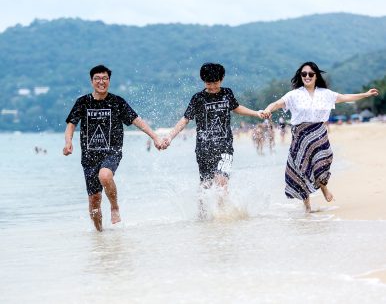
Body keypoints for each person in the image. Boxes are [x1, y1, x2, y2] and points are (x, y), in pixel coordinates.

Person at [262, 61, 379, 213]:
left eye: (311, 74)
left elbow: (345, 97)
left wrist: (365, 94)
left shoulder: (325, 94)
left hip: (319, 132)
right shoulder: (294, 95)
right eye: (304, 74)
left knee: (324, 160)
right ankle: (308, 206)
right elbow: (277, 103)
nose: (307, 76)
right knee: (301, 168)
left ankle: (323, 186)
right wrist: (267, 109)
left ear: (316, 76)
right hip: (301, 135)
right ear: (300, 76)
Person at [63, 65, 163, 231]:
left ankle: (114, 207)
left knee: (105, 175)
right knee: (94, 201)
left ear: (109, 81)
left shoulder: (117, 102)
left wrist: (154, 137)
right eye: (97, 79)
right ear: (91, 81)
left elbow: (137, 120)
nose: (101, 82)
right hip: (89, 157)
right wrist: (68, 142)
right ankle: (99, 235)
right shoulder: (82, 102)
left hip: (112, 151)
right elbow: (71, 125)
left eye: (104, 78)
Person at [161, 62, 265, 217]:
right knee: (206, 184)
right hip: (204, 148)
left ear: (222, 79)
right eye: (209, 84)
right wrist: (170, 137)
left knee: (222, 182)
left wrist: (256, 113)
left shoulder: (227, 93)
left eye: (216, 83)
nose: (213, 87)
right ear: (204, 81)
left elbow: (236, 108)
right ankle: (202, 217)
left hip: (225, 147)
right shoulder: (198, 98)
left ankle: (221, 218)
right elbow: (185, 119)